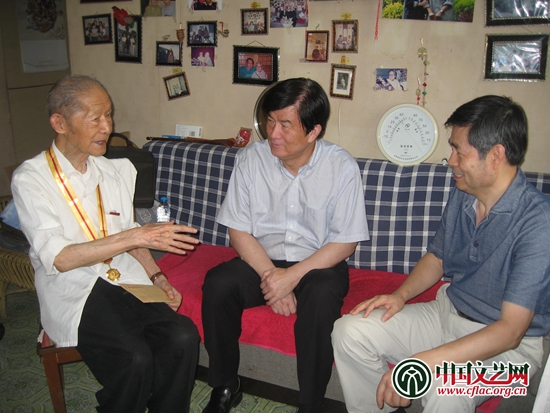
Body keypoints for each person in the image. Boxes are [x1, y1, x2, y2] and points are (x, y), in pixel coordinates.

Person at [332, 95, 550, 413]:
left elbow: (511, 331)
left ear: (496, 155)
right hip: (446, 316)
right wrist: (399, 296)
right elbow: (437, 258)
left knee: (445, 387)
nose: (451, 160)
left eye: (459, 151)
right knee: (349, 331)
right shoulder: (464, 192)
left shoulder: (539, 222)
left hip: (514, 356)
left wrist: (421, 364)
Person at [11, 75, 200, 413]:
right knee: (134, 357)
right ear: (60, 123)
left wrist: (157, 277)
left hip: (123, 276)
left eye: (109, 115)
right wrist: (134, 235)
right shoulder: (32, 179)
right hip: (73, 285)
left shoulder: (112, 171)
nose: (107, 127)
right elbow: (60, 258)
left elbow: (129, 232)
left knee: (183, 336)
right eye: (95, 118)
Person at [200, 78, 370, 413]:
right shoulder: (251, 159)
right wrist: (272, 279)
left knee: (322, 295)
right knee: (218, 283)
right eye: (270, 121)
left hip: (318, 264)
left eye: (285, 125)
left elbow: (346, 241)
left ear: (313, 131)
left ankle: (310, 403)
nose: (273, 134)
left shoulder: (340, 166)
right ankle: (225, 385)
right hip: (262, 259)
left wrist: (291, 278)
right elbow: (238, 230)